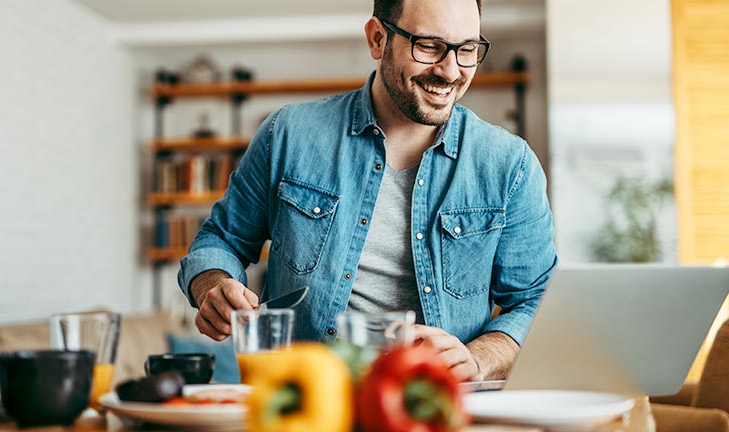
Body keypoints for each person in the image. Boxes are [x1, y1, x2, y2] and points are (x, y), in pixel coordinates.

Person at [178, 0, 558, 382]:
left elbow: (537, 301)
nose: (450, 70)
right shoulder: (288, 135)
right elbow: (220, 240)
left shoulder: (510, 165)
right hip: (300, 402)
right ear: (378, 39)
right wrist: (214, 284)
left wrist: (478, 357)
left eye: (467, 49)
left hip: (434, 406)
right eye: (428, 45)